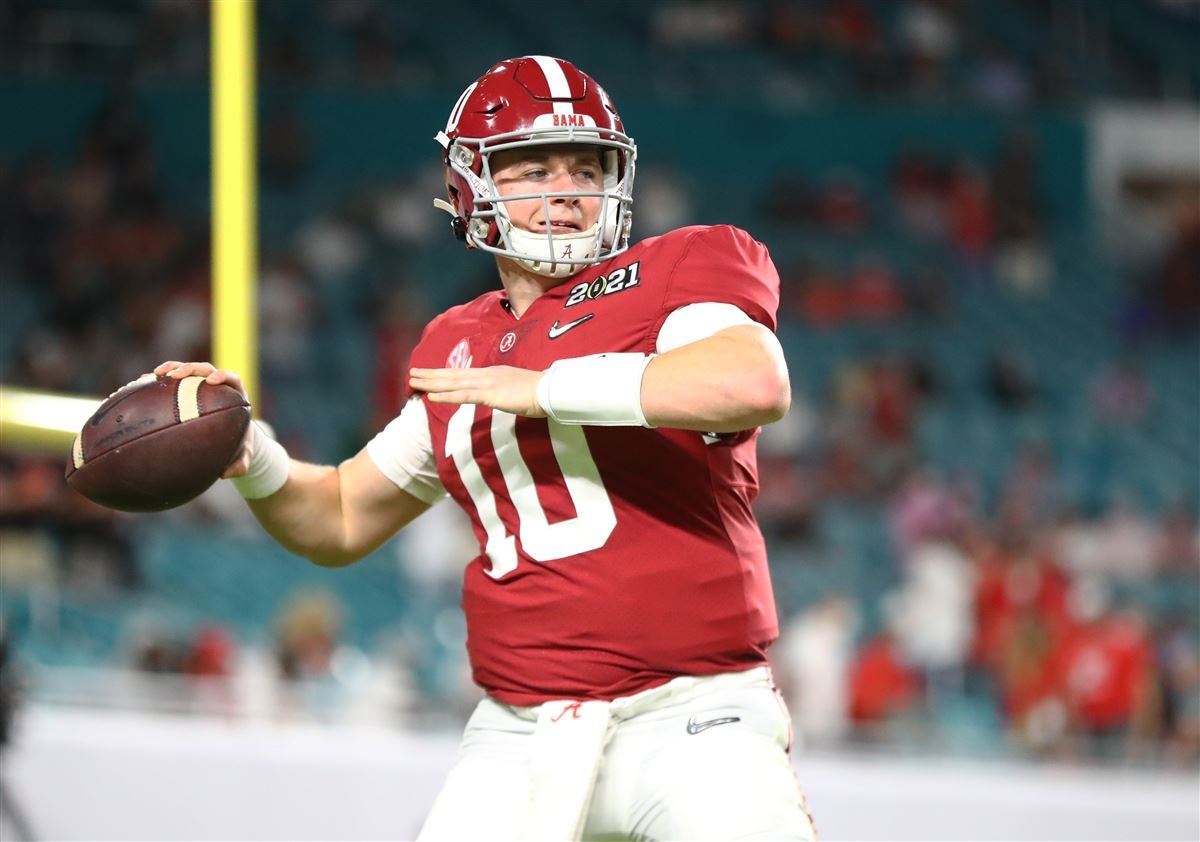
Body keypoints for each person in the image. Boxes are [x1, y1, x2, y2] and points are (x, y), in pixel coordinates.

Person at [156, 56, 815, 841]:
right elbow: (336, 517)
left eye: (586, 165)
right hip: (517, 736)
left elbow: (751, 379)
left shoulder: (676, 270)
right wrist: (247, 452)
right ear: (474, 185)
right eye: (535, 167)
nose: (567, 189)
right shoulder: (458, 347)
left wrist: (543, 386)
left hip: (694, 722)